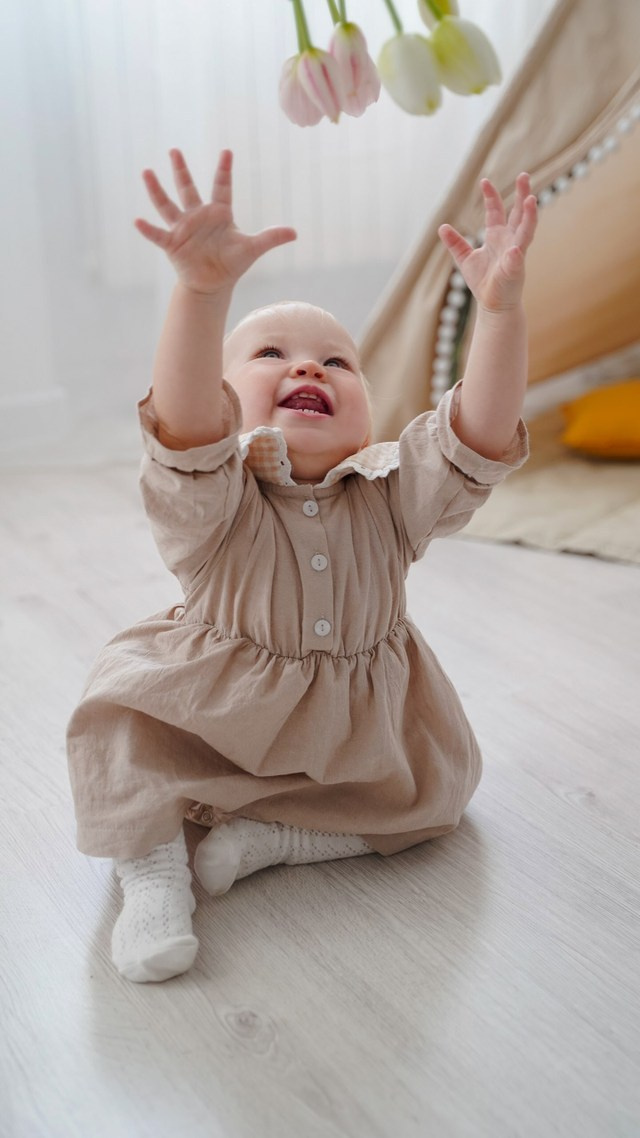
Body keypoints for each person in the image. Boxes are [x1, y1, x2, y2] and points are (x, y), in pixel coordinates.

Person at [67, 149, 537, 984]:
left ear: (368, 422)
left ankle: (280, 839)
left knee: (439, 791)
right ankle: (153, 877)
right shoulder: (214, 499)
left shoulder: (395, 495)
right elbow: (182, 424)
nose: (308, 366)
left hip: (351, 725)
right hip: (213, 710)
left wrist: (498, 314)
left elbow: (479, 436)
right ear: (225, 409)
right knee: (124, 735)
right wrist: (203, 294)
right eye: (272, 354)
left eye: (337, 361)